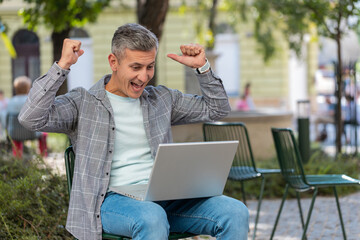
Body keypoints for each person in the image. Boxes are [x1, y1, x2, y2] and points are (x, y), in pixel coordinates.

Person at [19, 23, 249, 240]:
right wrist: (62, 66)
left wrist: (203, 68)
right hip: (110, 203)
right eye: (136, 67)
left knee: (234, 211)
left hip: (165, 198)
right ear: (114, 61)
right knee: (151, 216)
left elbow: (217, 109)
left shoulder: (162, 99)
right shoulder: (83, 103)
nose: (144, 76)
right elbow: (31, 118)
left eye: (150, 66)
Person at [4, 76, 48, 158]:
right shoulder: (32, 101)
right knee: (44, 134)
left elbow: (6, 120)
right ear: (28, 88)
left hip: (15, 134)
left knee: (15, 137)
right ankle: (43, 156)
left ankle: (17, 158)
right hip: (32, 133)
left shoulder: (10, 102)